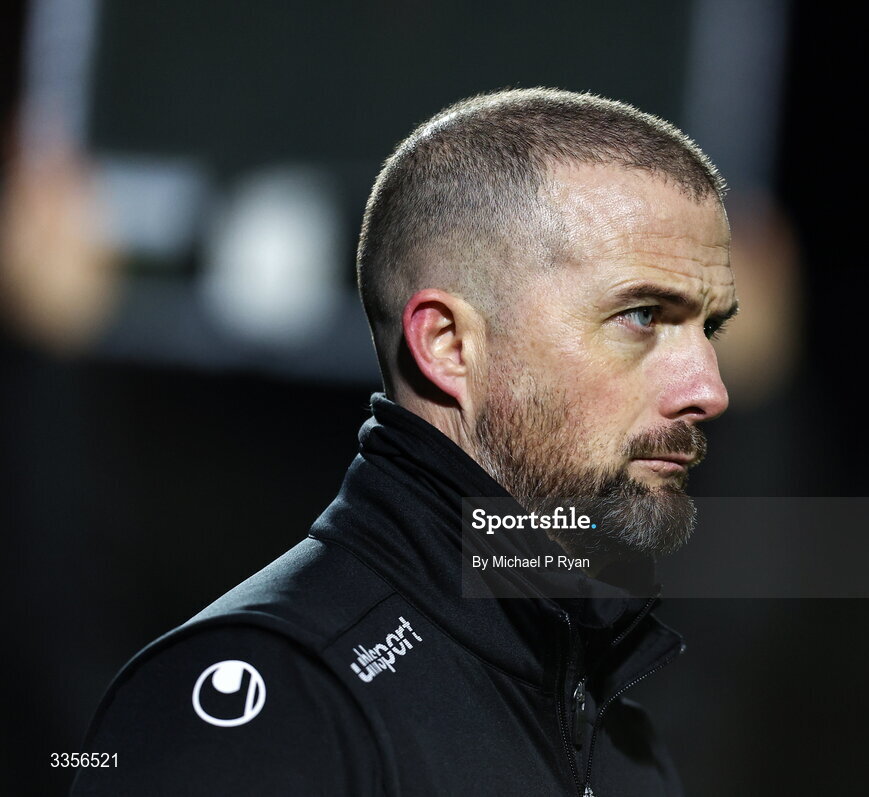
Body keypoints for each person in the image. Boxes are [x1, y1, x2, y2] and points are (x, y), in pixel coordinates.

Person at [73, 87, 737, 796]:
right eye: (640, 315)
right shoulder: (269, 699)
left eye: (710, 328)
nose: (709, 387)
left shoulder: (621, 734)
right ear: (448, 345)